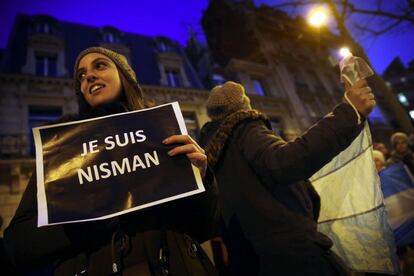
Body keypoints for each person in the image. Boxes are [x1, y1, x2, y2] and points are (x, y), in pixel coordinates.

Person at [4, 47, 218, 275]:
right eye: (81, 76)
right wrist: (90, 214)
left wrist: (202, 178)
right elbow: (17, 245)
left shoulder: (160, 135)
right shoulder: (61, 153)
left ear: (124, 76)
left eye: (100, 65)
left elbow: (204, 228)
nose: (89, 76)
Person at [199, 80, 375, 275]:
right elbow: (285, 162)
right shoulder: (245, 129)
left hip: (249, 263)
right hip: (294, 259)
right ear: (245, 106)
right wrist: (349, 113)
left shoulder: (208, 156)